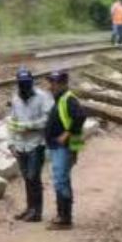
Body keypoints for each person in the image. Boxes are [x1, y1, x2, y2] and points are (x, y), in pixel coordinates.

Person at [41, 70, 87, 230]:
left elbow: (81, 117)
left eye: (54, 83)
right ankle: (62, 215)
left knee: (61, 180)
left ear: (63, 84)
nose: (51, 86)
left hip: (63, 147)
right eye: (51, 82)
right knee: (60, 179)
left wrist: (66, 136)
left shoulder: (68, 99)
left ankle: (65, 218)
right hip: (57, 146)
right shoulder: (60, 99)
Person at [6, 67, 54, 222]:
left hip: (36, 143)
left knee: (34, 176)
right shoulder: (15, 99)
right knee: (27, 177)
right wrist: (11, 143)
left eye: (27, 84)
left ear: (31, 83)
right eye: (21, 84)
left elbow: (48, 119)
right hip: (20, 144)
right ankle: (29, 208)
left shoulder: (43, 97)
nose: (24, 87)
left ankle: (36, 211)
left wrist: (30, 125)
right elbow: (12, 121)